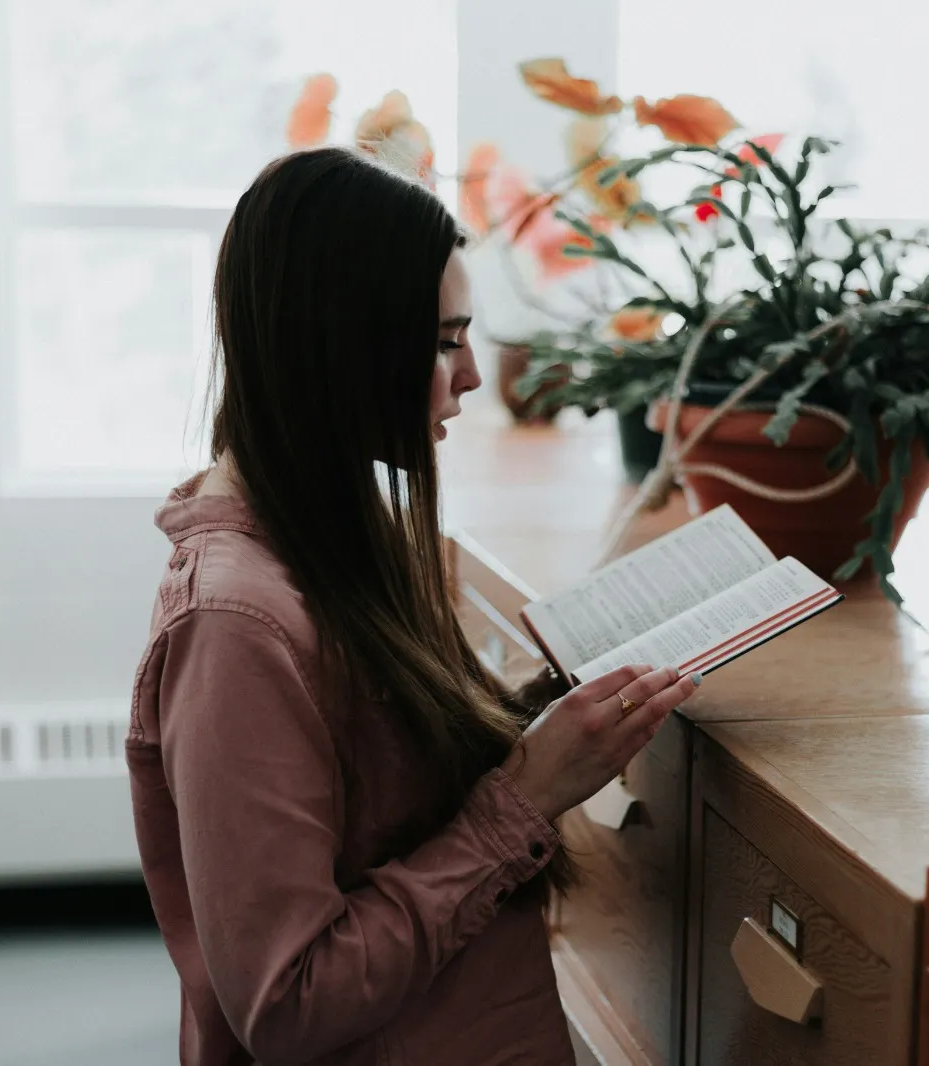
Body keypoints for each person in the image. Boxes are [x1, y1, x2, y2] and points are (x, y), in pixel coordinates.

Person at [126, 146, 701, 1066]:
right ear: (336, 346)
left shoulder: (332, 538)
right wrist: (524, 797)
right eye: (441, 342)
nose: (470, 375)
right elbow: (290, 1003)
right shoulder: (236, 626)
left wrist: (533, 713)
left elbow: (385, 803)